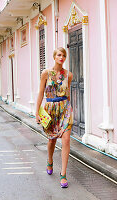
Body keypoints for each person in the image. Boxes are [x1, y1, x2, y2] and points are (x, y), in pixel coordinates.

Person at [36, 47, 73, 188]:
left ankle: (63, 174)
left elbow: (68, 94)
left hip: (65, 109)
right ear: (54, 57)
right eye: (59, 55)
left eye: (64, 55)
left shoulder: (68, 75)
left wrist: (70, 109)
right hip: (50, 110)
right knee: (51, 140)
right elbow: (41, 93)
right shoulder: (46, 73)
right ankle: (50, 160)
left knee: (66, 139)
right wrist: (37, 112)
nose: (61, 57)